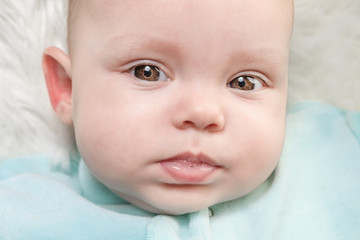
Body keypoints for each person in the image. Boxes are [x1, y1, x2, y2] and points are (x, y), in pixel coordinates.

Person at [1, 0, 359, 239]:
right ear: (67, 87)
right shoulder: (18, 208)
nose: (202, 113)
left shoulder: (338, 152)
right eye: (147, 72)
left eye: (243, 82)